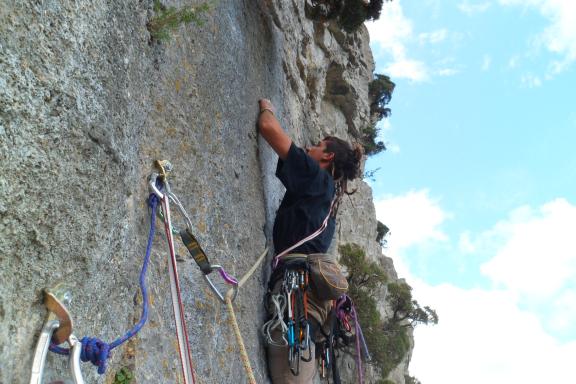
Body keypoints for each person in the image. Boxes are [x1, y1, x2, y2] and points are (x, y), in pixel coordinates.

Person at [257, 98, 363, 383]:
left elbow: (268, 127)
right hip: (305, 305)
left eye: (317, 146)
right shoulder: (329, 202)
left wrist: (267, 105)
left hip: (294, 296)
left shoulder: (317, 177)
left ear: (327, 158)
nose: (309, 148)